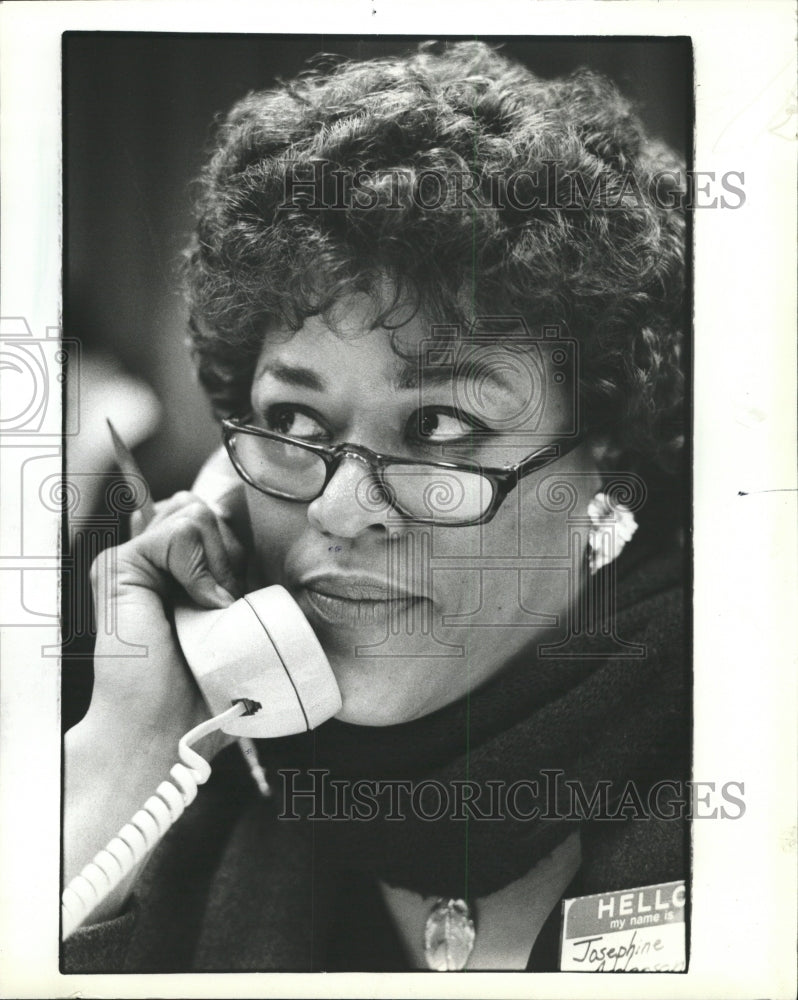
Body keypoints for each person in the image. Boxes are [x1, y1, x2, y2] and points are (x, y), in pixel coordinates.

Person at [63, 40, 688, 972]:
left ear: (609, 454)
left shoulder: (750, 776)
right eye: (295, 420)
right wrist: (118, 766)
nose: (345, 508)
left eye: (439, 423)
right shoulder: (198, 798)